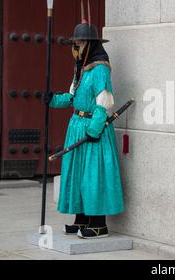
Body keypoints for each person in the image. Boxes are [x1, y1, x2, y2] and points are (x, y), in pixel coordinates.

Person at [43, 16, 123, 239]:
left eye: (78, 44)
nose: (74, 48)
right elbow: (72, 98)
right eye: (73, 45)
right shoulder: (81, 69)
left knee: (92, 175)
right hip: (76, 126)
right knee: (77, 173)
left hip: (92, 129)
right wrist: (52, 100)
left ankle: (98, 225)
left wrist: (95, 129)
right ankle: (81, 220)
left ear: (90, 45)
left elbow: (104, 100)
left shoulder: (100, 69)